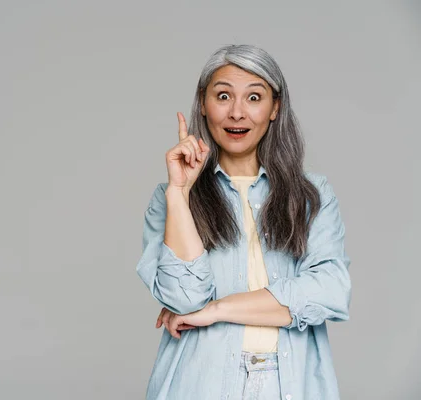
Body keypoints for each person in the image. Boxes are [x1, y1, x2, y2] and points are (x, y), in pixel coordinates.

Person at [136, 44, 351, 400]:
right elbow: (185, 300)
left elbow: (329, 290)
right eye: (223, 96)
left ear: (274, 108)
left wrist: (218, 310)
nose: (237, 113)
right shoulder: (170, 198)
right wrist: (179, 193)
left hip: (293, 384)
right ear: (203, 105)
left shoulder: (312, 195)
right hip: (199, 384)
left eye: (254, 97)